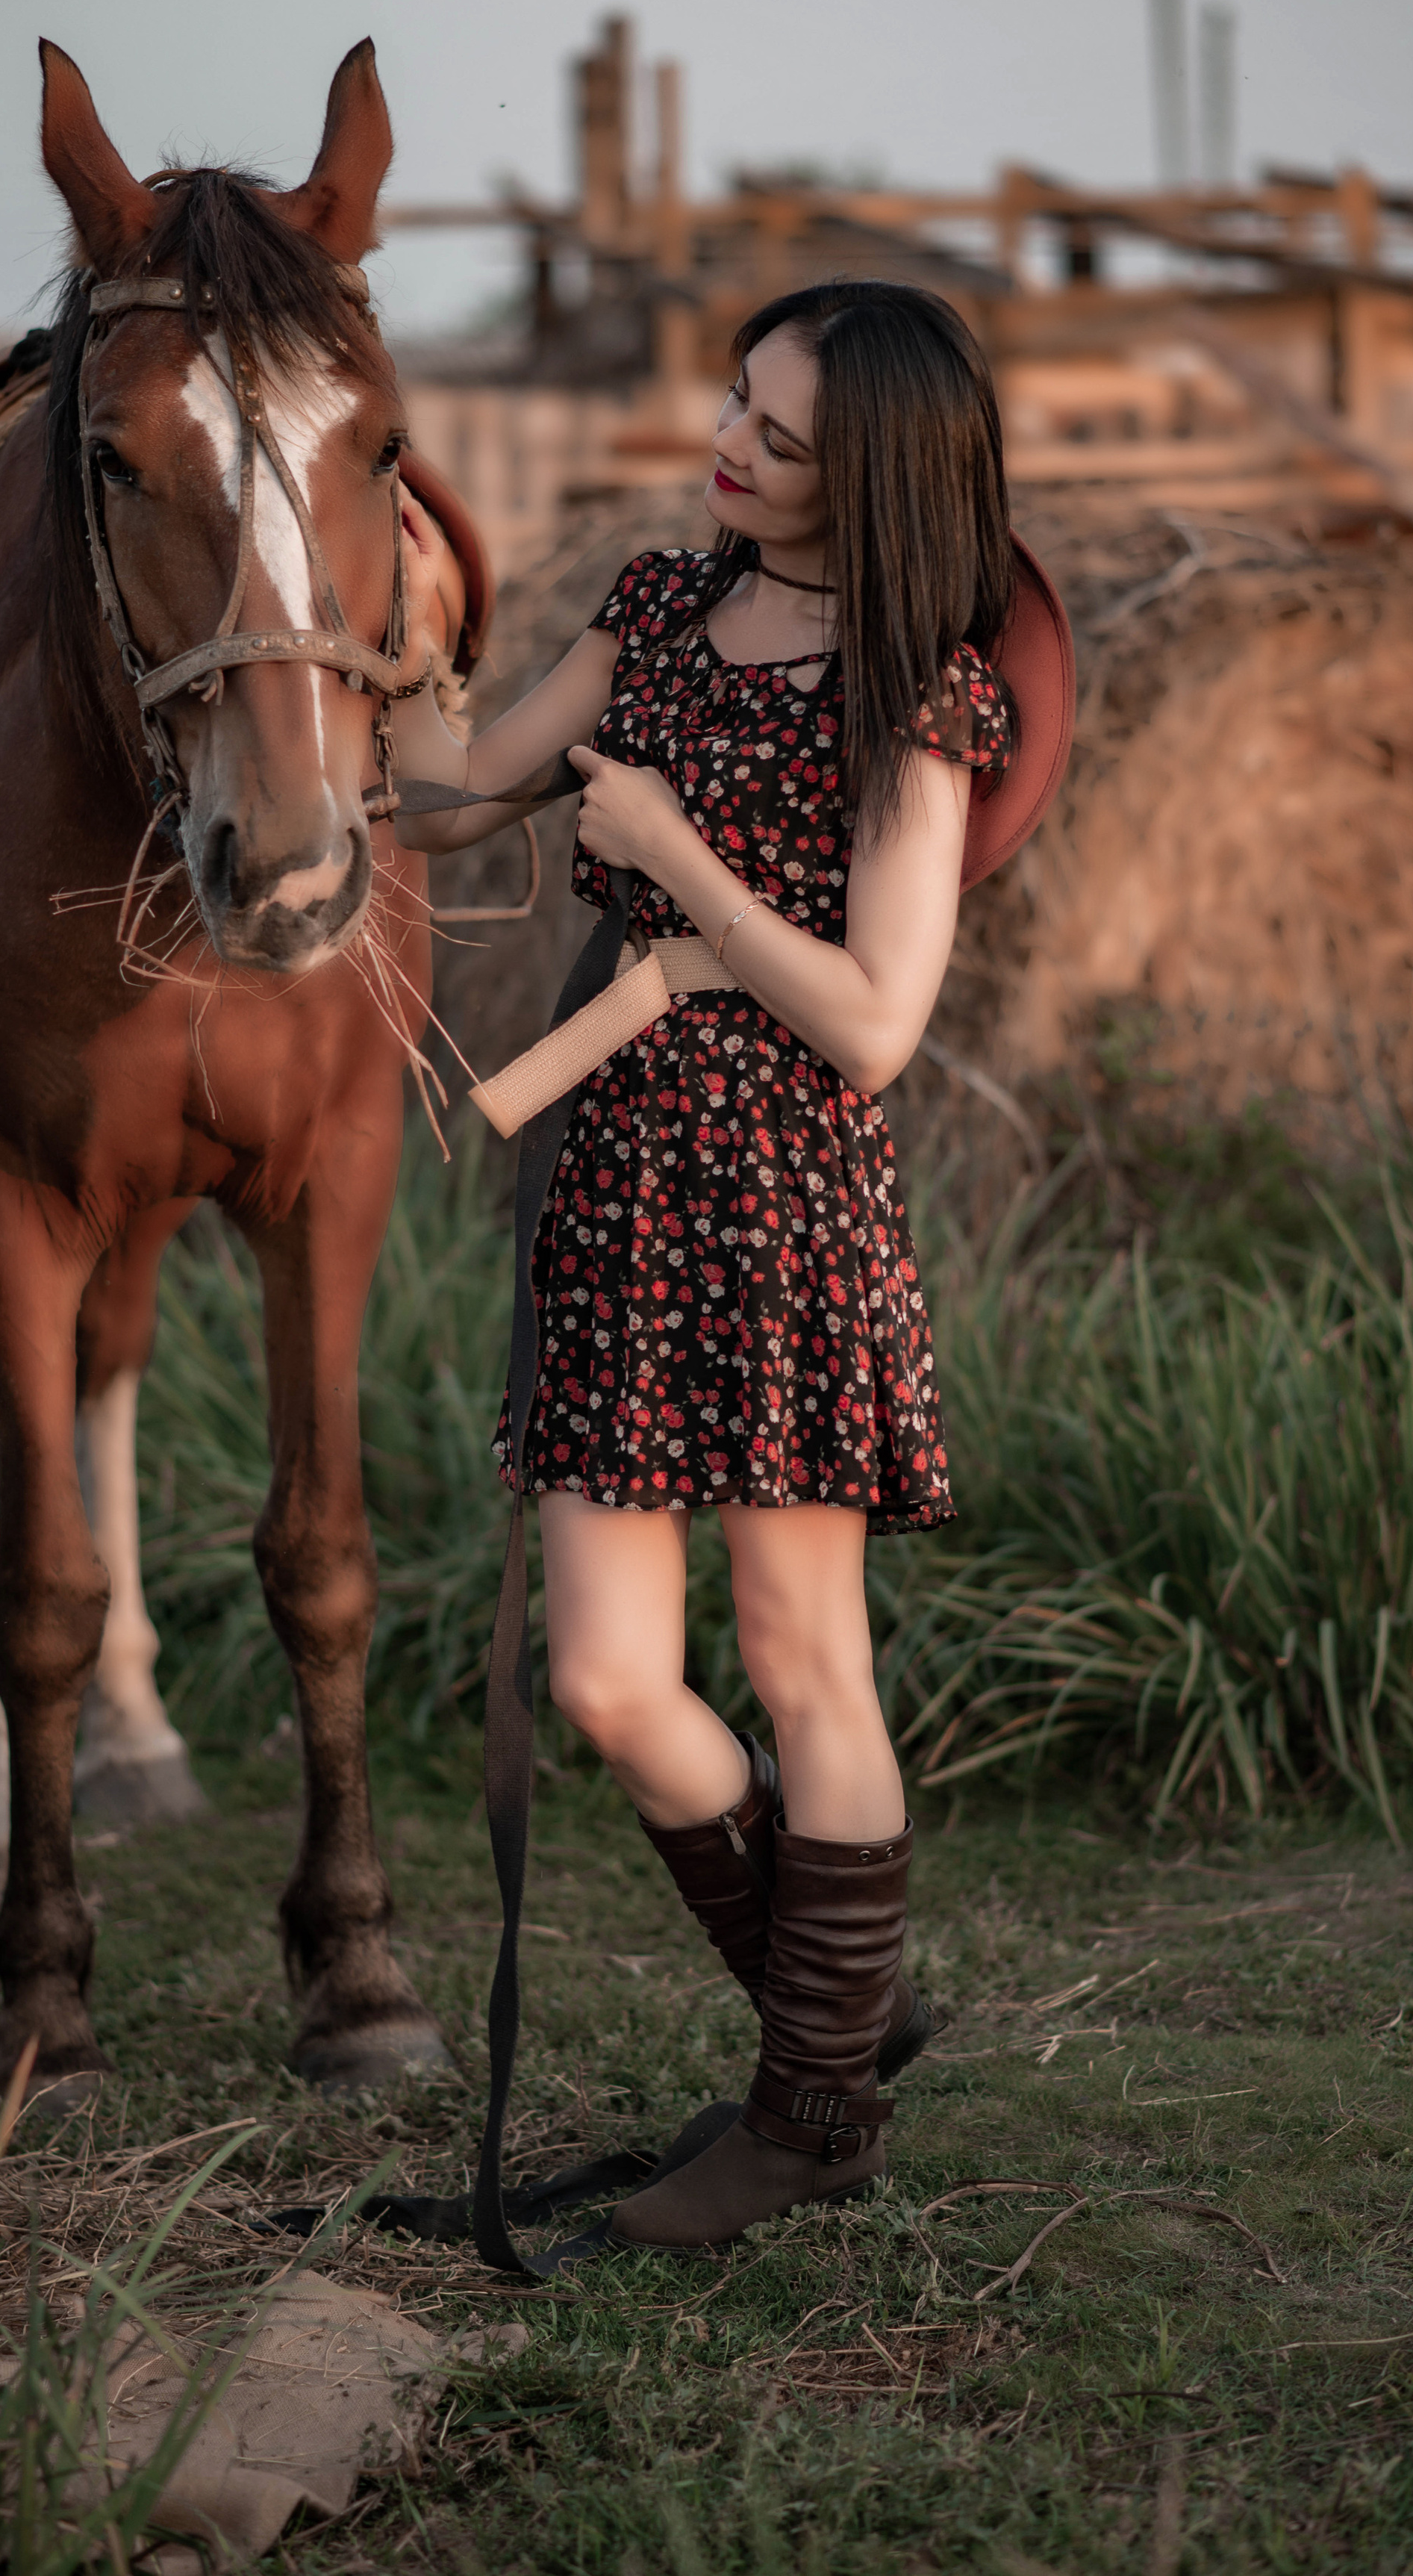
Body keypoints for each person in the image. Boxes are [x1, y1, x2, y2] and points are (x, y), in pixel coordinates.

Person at [389, 280, 1016, 2249]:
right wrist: (389, 633)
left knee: (800, 1655)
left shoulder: (916, 688)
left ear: (877, 478)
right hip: (617, 1180)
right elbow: (450, 791)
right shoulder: (657, 610)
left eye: (783, 435)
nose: (730, 445)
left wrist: (675, 854)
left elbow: (875, 1021)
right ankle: (843, 2023)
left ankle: (808, 2113)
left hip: (785, 1187)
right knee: (603, 1676)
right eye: (739, 402)